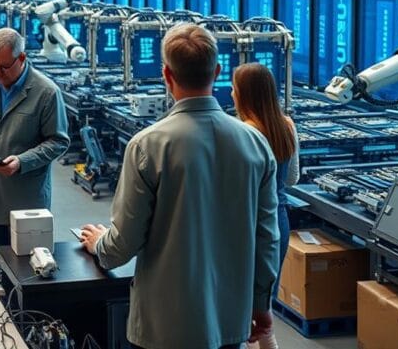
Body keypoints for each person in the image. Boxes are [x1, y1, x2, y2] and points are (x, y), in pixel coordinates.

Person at [80, 24, 280, 349]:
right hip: (229, 322)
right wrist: (261, 303)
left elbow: (123, 244)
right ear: (217, 71)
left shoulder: (148, 145)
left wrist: (100, 243)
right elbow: (268, 238)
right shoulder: (255, 144)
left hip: (164, 327)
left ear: (166, 75)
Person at [0, 28, 70, 257]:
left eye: (4, 67)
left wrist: (21, 162)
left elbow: (58, 141)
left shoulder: (46, 92)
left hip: (27, 206)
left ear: (21, 58)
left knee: (27, 271)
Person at [232, 63, 300, 349]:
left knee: (239, 308)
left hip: (246, 223)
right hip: (279, 220)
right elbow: (293, 177)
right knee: (264, 304)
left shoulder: (241, 132)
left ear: (243, 95)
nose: (232, 94)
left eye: (235, 89)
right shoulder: (286, 124)